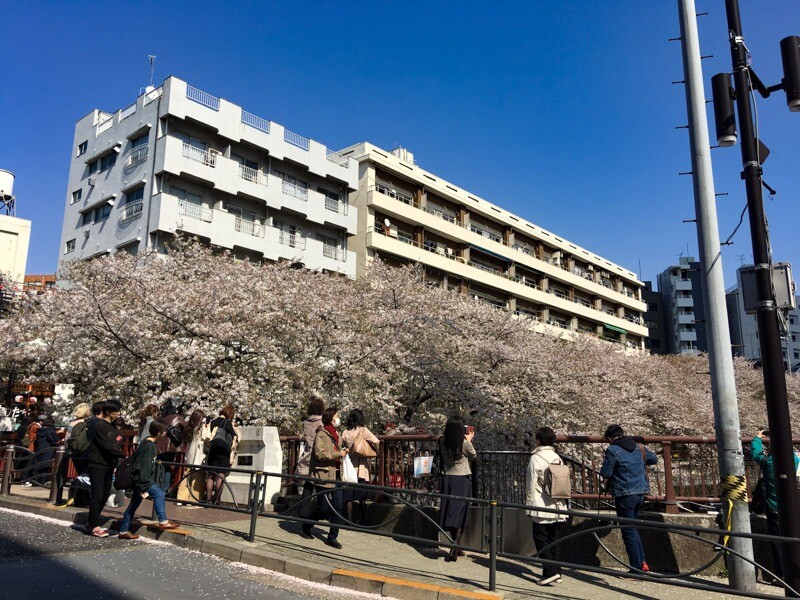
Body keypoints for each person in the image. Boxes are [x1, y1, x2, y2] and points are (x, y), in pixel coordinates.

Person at [599, 424, 658, 573]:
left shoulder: (613, 450)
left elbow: (606, 472)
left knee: (628, 531)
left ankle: (636, 569)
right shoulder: (638, 447)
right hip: (640, 493)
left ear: (610, 438)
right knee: (633, 529)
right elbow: (653, 459)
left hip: (624, 494)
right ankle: (642, 562)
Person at [750, 429, 800, 581]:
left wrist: (757, 439)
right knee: (794, 539)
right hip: (791, 508)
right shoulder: (794, 460)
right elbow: (793, 455)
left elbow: (755, 454)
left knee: (777, 541)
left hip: (773, 507)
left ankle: (781, 574)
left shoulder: (768, 462)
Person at [117, 419, 180, 539]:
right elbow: (145, 467)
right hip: (143, 479)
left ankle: (123, 530)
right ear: (159, 432)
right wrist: (145, 485)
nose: (166, 434)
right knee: (159, 493)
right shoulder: (149, 447)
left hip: (138, 479)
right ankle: (163, 521)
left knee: (133, 505)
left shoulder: (147, 443)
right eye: (164, 432)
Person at [525, 426, 569, 586]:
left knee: (540, 538)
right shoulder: (557, 458)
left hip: (541, 504)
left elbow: (531, 484)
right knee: (554, 539)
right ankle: (557, 571)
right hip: (558, 505)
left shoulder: (536, 458)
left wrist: (529, 507)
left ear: (538, 440)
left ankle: (549, 571)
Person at [300, 406, 347, 548]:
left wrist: (342, 452)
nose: (339, 418)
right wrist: (339, 454)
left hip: (337, 474)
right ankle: (307, 524)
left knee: (338, 506)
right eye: (337, 416)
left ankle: (332, 537)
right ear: (331, 417)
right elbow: (320, 454)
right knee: (323, 508)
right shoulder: (322, 433)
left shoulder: (336, 434)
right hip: (324, 474)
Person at [439, 414, 477, 562]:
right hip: (461, 480)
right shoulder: (463, 443)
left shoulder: (442, 441)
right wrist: (469, 441)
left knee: (450, 511)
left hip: (447, 478)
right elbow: (473, 456)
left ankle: (457, 546)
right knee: (460, 513)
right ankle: (456, 546)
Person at [86, 399, 124, 538]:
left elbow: (117, 440)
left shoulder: (112, 426)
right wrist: (122, 454)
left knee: (104, 494)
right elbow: (107, 445)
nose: (118, 414)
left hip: (108, 464)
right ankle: (94, 526)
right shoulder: (100, 426)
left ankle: (91, 522)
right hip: (97, 463)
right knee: (97, 495)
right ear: (108, 412)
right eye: (116, 411)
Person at [340, 408, 379, 524]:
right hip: (361, 467)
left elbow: (341, 445)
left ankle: (349, 520)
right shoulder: (363, 430)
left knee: (348, 496)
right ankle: (363, 520)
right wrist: (373, 451)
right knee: (362, 496)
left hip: (349, 466)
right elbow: (376, 441)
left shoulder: (345, 432)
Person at [55, 403, 91, 506]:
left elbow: (67, 439)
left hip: (71, 453)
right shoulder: (85, 424)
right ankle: (83, 499)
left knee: (80, 475)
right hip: (83, 453)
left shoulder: (72, 423)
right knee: (86, 476)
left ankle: (75, 497)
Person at [205, 405, 238, 503]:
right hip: (223, 452)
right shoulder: (227, 423)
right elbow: (234, 435)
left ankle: (208, 499)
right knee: (220, 475)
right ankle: (217, 499)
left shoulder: (213, 422)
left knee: (211, 475)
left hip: (213, 450)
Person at [177, 409, 209, 503]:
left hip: (189, 456)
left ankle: (181, 498)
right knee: (198, 479)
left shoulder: (189, 428)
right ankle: (193, 500)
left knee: (186, 478)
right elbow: (206, 437)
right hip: (198, 457)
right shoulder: (199, 429)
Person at [156, 399, 187, 495]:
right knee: (168, 468)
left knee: (160, 467)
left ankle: (157, 487)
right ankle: (165, 489)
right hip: (171, 447)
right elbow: (186, 426)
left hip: (160, 446)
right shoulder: (178, 417)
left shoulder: (162, 419)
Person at [295, 398, 324, 478]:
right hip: (318, 453)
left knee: (307, 482)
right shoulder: (322, 422)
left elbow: (302, 436)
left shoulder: (305, 422)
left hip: (307, 453)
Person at [33, 416, 60, 485]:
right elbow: (55, 440)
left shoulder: (39, 430)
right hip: (48, 450)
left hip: (39, 449)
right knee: (45, 466)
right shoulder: (51, 431)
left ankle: (35, 481)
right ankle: (42, 482)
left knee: (38, 466)